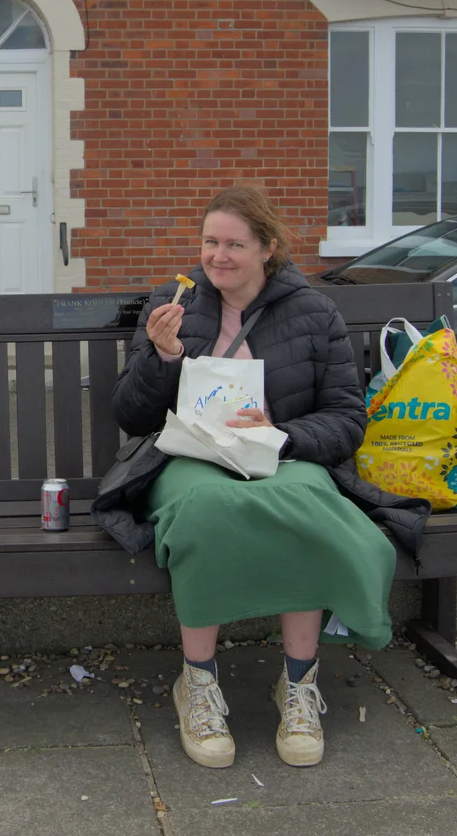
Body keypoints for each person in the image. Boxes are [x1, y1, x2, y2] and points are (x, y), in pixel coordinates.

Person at [111, 184, 429, 771]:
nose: (218, 256)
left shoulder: (313, 312)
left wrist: (279, 432)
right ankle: (198, 685)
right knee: (205, 509)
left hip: (283, 459)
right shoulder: (175, 303)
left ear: (269, 249)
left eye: (235, 243)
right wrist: (163, 358)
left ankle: (299, 684)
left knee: (305, 506)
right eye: (210, 242)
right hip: (190, 462)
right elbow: (130, 417)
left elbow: (345, 419)